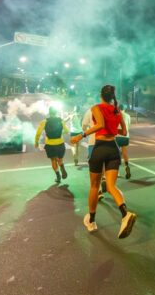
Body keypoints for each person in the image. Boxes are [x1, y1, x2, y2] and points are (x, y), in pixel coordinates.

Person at [70, 85, 137, 239]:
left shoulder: (96, 108)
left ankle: (92, 221)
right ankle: (125, 214)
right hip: (113, 149)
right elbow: (124, 132)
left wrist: (80, 136)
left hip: (100, 148)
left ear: (101, 95)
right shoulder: (117, 110)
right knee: (112, 186)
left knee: (95, 186)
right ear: (112, 96)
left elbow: (100, 125)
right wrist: (112, 130)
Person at [34, 107, 68, 183]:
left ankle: (58, 176)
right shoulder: (61, 120)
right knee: (60, 159)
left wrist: (36, 142)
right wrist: (60, 133)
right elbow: (67, 130)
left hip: (50, 144)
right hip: (60, 143)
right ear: (56, 112)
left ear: (49, 113)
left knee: (53, 160)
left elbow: (38, 133)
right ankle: (61, 166)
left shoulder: (44, 121)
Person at [116, 108, 132, 179]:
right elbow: (129, 126)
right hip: (126, 136)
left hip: (117, 136)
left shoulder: (117, 115)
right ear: (124, 109)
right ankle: (126, 165)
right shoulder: (128, 116)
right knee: (124, 152)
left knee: (116, 154)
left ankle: (117, 171)